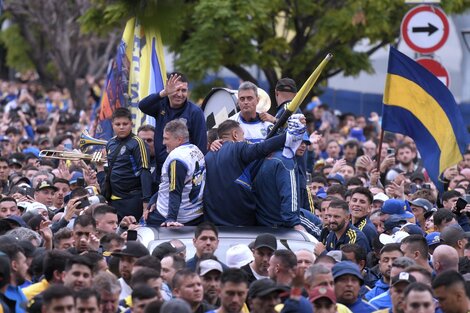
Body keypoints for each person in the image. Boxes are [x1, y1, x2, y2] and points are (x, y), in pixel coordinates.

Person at [203, 114, 306, 226]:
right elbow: (261, 148)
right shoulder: (237, 148)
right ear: (235, 135)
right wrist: (290, 135)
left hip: (212, 222)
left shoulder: (207, 157)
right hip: (242, 223)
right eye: (243, 135)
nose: (245, 139)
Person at [138, 72, 207, 184]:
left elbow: (201, 147)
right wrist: (163, 93)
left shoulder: (195, 112)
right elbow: (142, 106)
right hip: (161, 173)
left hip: (184, 174)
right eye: (176, 90)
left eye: (183, 90)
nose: (179, 94)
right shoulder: (161, 105)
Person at [146, 119, 205, 227]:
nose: (163, 143)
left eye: (166, 139)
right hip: (196, 213)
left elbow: (175, 191)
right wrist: (155, 198)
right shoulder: (195, 149)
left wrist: (170, 219)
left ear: (179, 139)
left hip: (174, 216)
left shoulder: (177, 159)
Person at [96, 107, 152, 220]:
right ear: (112, 125)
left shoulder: (138, 143)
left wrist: (146, 202)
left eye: (125, 123)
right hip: (113, 201)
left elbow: (145, 172)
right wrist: (99, 169)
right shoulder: (110, 143)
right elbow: (110, 173)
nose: (121, 127)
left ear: (131, 124)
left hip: (132, 200)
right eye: (118, 124)